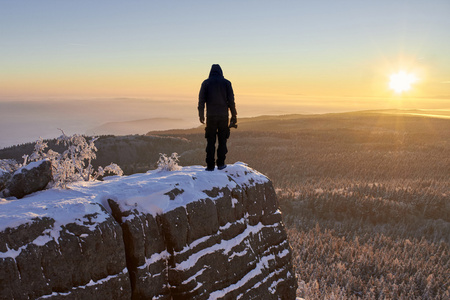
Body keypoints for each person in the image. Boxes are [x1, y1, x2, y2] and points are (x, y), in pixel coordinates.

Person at [198, 64, 237, 171]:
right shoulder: (227, 83)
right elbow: (231, 101)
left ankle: (210, 165)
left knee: (210, 141)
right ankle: (221, 164)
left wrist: (201, 114)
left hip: (210, 116)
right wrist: (234, 116)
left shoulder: (206, 83)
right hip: (223, 116)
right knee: (222, 140)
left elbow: (201, 100)